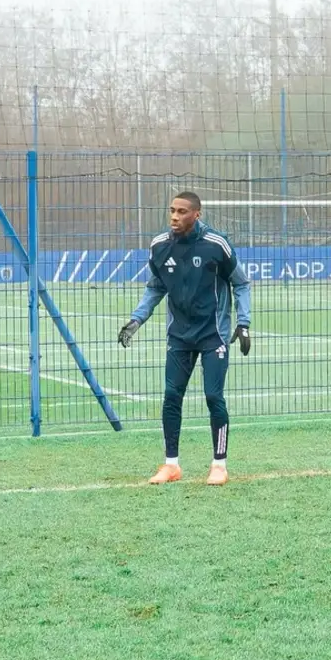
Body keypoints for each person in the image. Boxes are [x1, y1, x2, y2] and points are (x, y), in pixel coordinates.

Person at [118, 192, 252, 486]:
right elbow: (156, 287)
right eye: (172, 211)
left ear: (197, 214)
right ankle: (171, 465)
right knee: (171, 397)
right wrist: (137, 318)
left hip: (212, 334)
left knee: (214, 396)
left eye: (181, 212)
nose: (174, 217)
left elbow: (241, 283)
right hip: (179, 335)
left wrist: (243, 323)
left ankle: (219, 465)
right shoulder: (160, 246)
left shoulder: (216, 244)